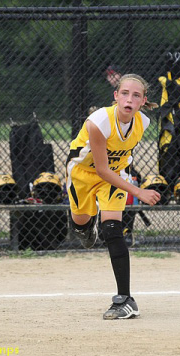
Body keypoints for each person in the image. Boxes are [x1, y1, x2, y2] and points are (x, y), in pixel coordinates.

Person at [66, 73, 160, 320]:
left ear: (142, 101)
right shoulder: (98, 122)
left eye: (136, 95)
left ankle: (125, 300)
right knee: (80, 223)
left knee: (112, 230)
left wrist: (129, 184)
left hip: (115, 175)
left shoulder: (143, 123)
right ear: (115, 96)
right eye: (125, 93)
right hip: (84, 173)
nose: (130, 99)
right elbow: (101, 169)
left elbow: (117, 163)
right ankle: (85, 227)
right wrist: (138, 191)